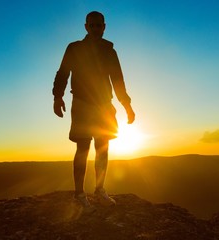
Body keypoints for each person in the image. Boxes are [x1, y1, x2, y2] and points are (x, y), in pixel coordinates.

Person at [52, 11, 135, 208]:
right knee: (82, 148)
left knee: (103, 148)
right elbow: (63, 72)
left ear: (104, 26)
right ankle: (79, 194)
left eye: (99, 25)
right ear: (86, 26)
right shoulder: (74, 48)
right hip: (82, 103)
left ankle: (99, 190)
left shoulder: (109, 51)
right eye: (92, 25)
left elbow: (118, 81)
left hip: (104, 105)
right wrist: (57, 96)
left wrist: (127, 105)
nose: (96, 28)